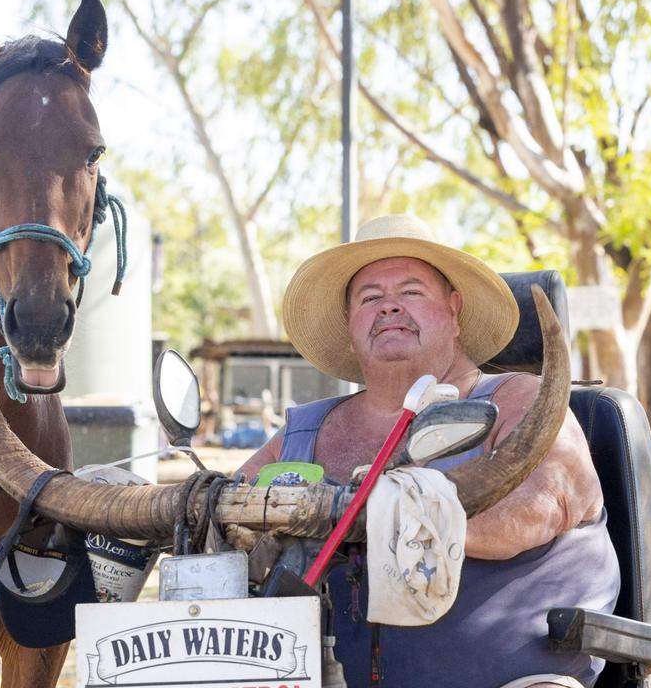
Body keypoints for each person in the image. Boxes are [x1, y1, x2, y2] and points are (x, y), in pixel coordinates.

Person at [239, 214, 620, 688]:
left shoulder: (520, 401)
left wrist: (395, 512)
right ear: (348, 323)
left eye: (412, 292)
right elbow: (229, 512)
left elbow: (539, 508)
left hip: (523, 680)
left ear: (455, 311)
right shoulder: (305, 430)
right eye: (370, 297)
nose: (389, 308)